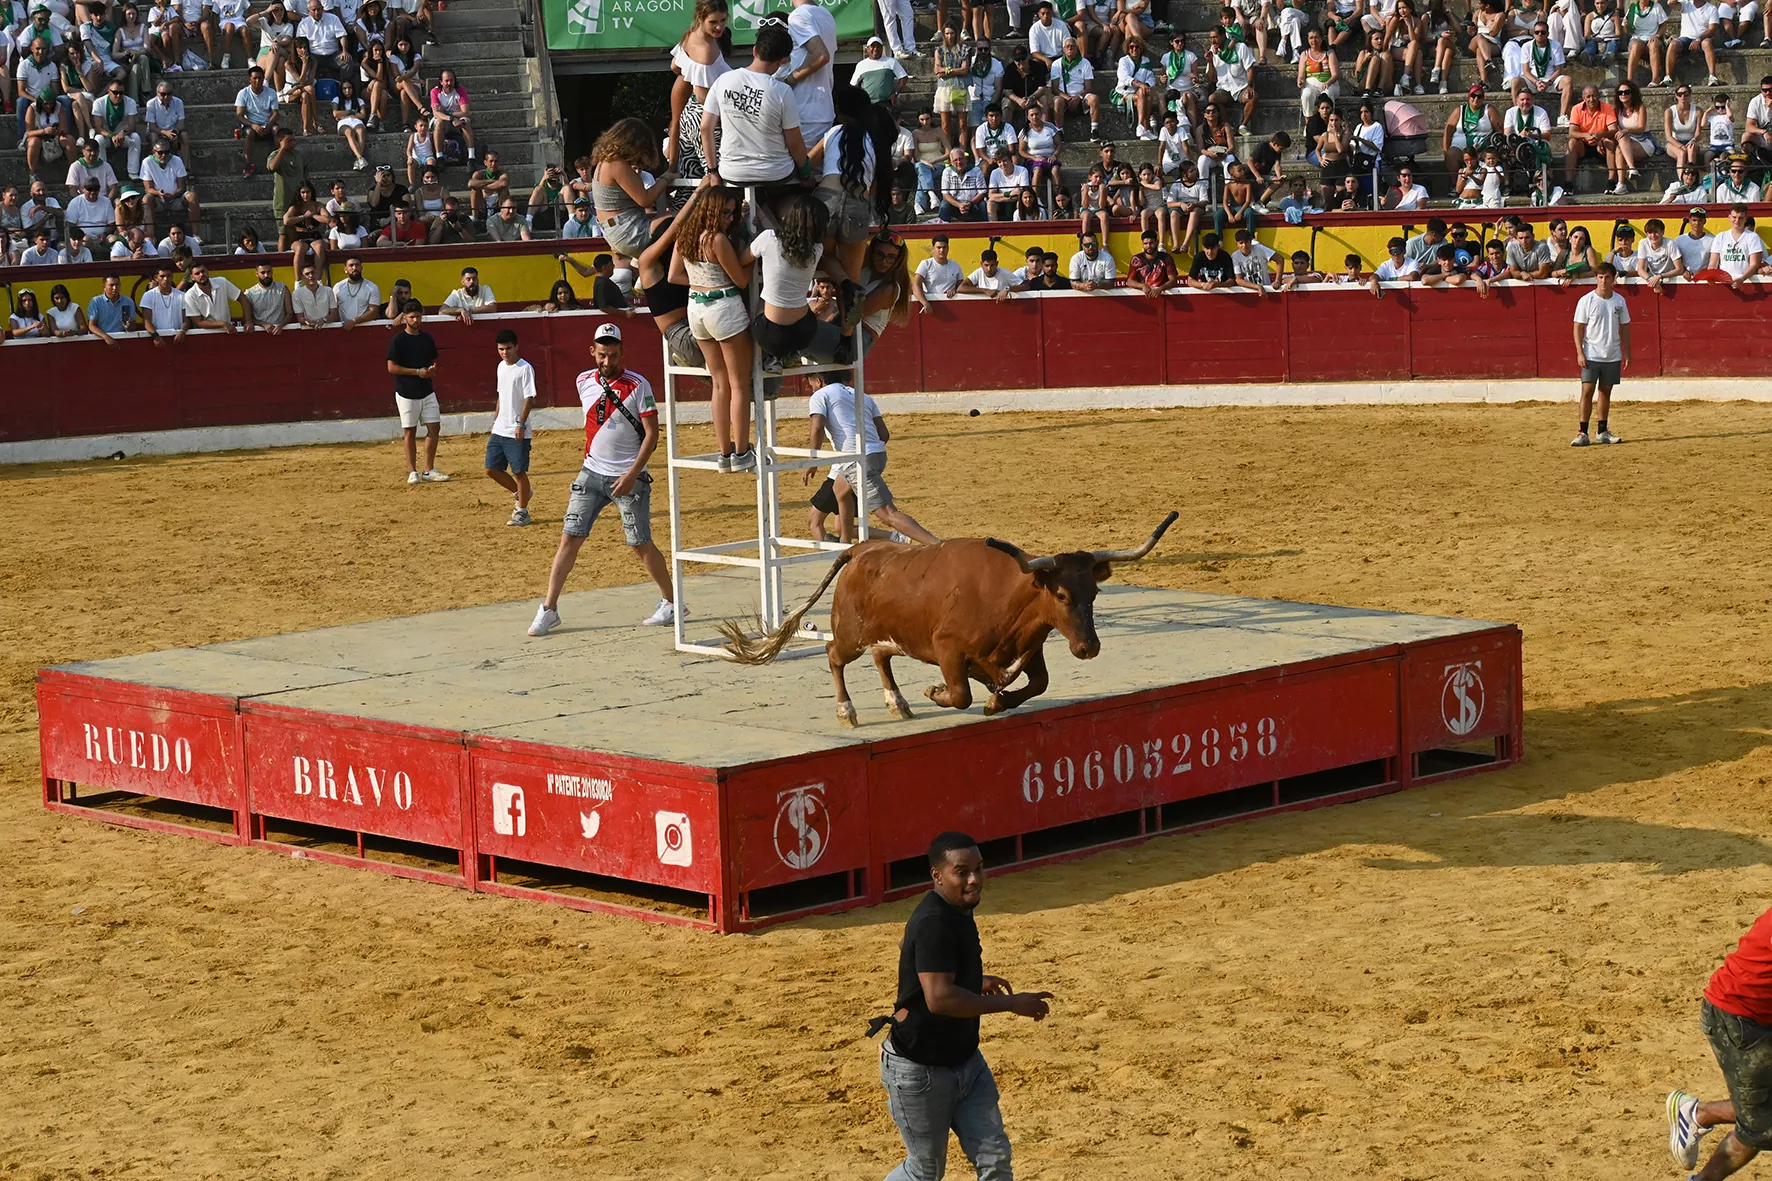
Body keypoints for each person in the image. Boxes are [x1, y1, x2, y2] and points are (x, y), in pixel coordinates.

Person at [875, 831, 1053, 1181]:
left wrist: (971, 979)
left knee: (995, 1159)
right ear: (937, 876)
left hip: (966, 1064)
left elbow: (909, 945)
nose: (974, 880)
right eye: (962, 872)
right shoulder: (933, 922)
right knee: (924, 1172)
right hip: (918, 1072)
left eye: (979, 869)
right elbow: (940, 998)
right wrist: (1011, 1003)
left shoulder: (955, 907)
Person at [528, 323, 677, 636]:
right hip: (591, 473)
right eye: (601, 355)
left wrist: (632, 473)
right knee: (570, 537)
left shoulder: (639, 385)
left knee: (640, 543)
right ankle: (549, 608)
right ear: (592, 352)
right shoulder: (583, 380)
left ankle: (672, 601)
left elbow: (652, 435)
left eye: (612, 355)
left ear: (622, 352)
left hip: (629, 478)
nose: (607, 362)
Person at [1668, 901, 1772, 1181]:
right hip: (1739, 1021)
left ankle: (1698, 1113)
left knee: (1762, 1110)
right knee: (1762, 1128)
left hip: (1755, 1013)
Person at [803, 373, 939, 546]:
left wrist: (812, 459)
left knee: (887, 514)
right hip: (877, 455)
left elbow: (817, 428)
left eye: (811, 383)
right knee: (840, 489)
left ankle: (937, 545)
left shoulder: (820, 395)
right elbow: (884, 434)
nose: (811, 387)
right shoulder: (863, 396)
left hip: (857, 461)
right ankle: (845, 544)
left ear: (818, 380)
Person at [677, 183, 756, 471]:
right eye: (725, 213)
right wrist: (752, 257)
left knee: (719, 383)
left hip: (696, 307)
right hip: (723, 305)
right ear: (712, 210)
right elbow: (742, 280)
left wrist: (705, 281)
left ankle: (724, 454)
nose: (729, 218)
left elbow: (675, 275)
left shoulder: (686, 234)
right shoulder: (717, 239)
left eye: (731, 214)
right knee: (739, 384)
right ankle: (743, 452)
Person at [701, 22, 810, 190]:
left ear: (755, 50)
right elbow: (794, 142)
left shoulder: (723, 81)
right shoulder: (783, 91)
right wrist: (806, 172)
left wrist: (713, 171)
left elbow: (705, 128)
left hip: (732, 173)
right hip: (776, 173)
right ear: (782, 61)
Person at [386, 298, 446, 483]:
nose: (416, 320)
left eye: (418, 317)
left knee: (434, 427)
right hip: (406, 392)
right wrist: (417, 372)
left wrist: (431, 371)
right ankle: (412, 471)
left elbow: (432, 362)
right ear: (405, 318)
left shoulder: (427, 338)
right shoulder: (398, 340)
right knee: (409, 431)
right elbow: (391, 367)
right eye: (412, 317)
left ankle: (428, 469)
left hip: (426, 390)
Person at [1571, 262, 1629, 447]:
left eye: (1607, 277)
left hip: (1612, 353)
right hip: (1591, 353)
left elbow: (1625, 326)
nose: (1603, 281)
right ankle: (1582, 432)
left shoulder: (1619, 301)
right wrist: (1580, 352)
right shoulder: (1586, 300)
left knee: (1605, 391)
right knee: (1587, 390)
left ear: (1613, 279)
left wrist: (1627, 351)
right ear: (1596, 278)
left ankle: (1602, 431)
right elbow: (1578, 327)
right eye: (1600, 277)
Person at [486, 328, 536, 527]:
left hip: (517, 430)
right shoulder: (500, 367)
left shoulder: (525, 368)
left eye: (508, 348)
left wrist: (520, 424)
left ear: (516, 347)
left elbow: (529, 398)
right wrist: (496, 419)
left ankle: (522, 511)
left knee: (519, 471)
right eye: (501, 349)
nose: (504, 353)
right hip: (500, 428)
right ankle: (522, 493)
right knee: (491, 468)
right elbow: (501, 395)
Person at [1708, 203, 1766, 288]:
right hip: (1724, 283)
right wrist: (1711, 275)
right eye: (1734, 217)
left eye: (1740, 218)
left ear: (1745, 219)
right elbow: (1713, 262)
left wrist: (1742, 279)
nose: (1737, 221)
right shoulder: (1720, 237)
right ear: (1729, 217)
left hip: (1746, 281)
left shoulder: (1752, 237)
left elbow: (1754, 264)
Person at [85, 273, 138, 346]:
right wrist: (106, 337)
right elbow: (92, 326)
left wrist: (129, 325)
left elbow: (132, 326)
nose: (115, 288)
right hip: (100, 341)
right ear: (104, 287)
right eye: (111, 285)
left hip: (123, 340)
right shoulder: (96, 302)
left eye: (117, 285)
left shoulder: (127, 302)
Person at [241, 261, 294, 332]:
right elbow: (248, 319)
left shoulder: (283, 288)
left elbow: (289, 313)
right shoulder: (249, 293)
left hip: (281, 332)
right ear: (257, 274)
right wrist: (263, 324)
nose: (266, 275)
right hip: (259, 333)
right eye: (263, 273)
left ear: (272, 272)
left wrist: (281, 325)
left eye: (268, 272)